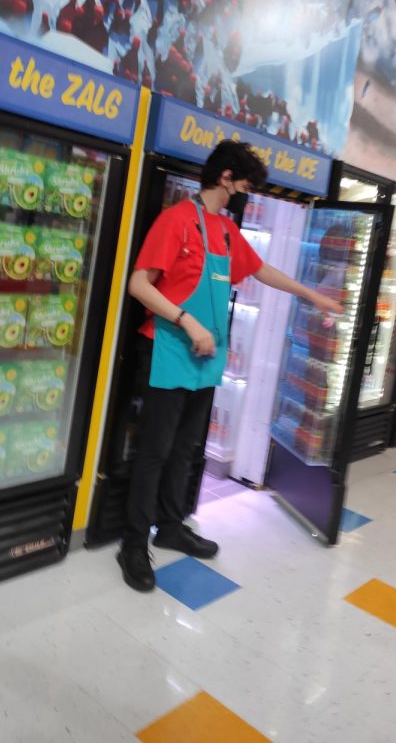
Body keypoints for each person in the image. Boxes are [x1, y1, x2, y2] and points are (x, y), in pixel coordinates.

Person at [117, 140, 343, 592]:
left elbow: (259, 270)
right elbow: (139, 284)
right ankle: (133, 544)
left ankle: (172, 525)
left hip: (204, 357)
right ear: (225, 178)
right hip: (169, 349)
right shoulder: (176, 220)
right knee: (155, 453)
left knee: (185, 450)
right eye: (245, 184)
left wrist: (311, 294)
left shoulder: (224, 230)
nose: (247, 193)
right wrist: (187, 321)